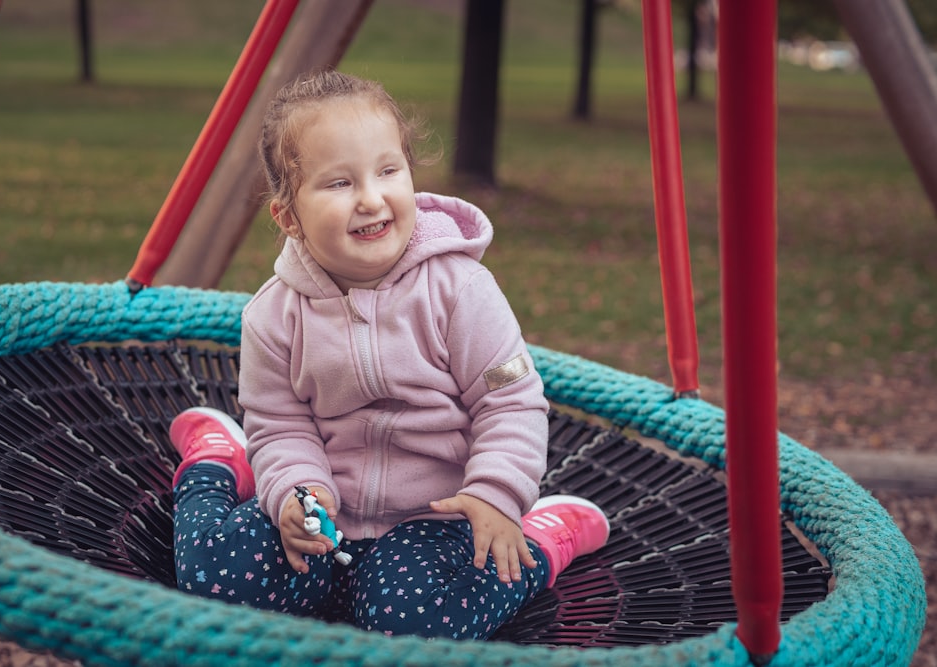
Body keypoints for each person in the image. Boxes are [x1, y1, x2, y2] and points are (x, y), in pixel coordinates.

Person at [169, 68, 609, 640]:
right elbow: (279, 425)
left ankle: (543, 539)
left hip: (433, 520)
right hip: (321, 514)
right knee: (217, 582)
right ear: (289, 217)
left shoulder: (460, 291)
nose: (372, 199)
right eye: (338, 184)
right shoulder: (274, 315)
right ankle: (215, 464)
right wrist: (295, 493)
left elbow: (511, 403)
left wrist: (497, 496)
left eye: (388, 171)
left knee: (417, 626)